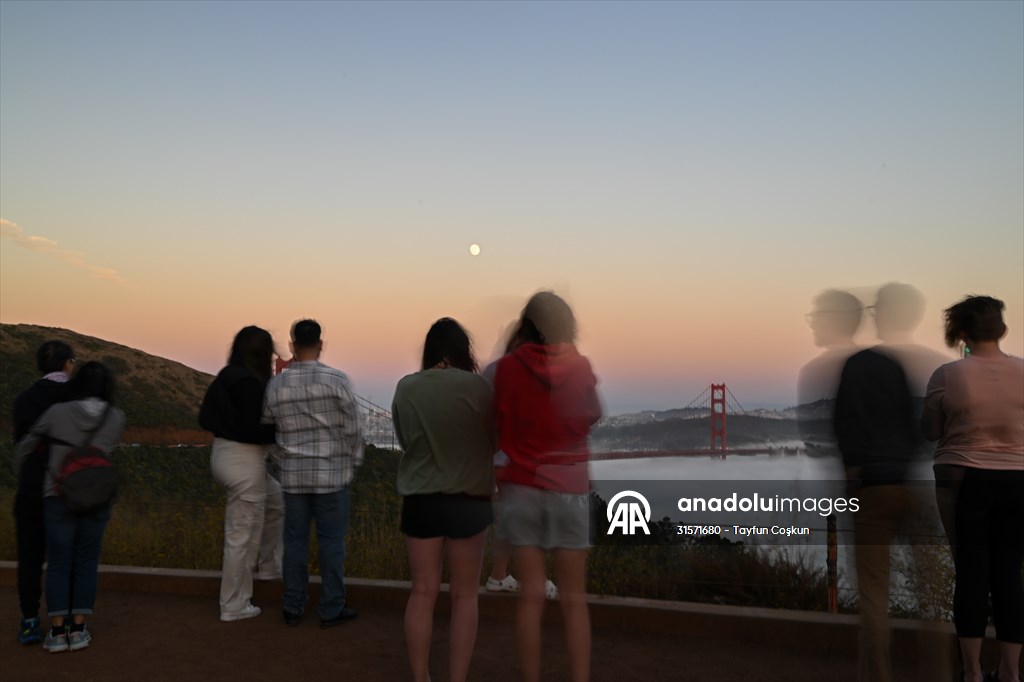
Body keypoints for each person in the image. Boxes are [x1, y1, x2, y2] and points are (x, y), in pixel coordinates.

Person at [493, 292, 601, 682]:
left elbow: (499, 421)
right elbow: (591, 415)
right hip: (570, 490)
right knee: (574, 600)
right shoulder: (580, 367)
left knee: (531, 595)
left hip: (521, 488)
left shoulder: (507, 369)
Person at [922, 295, 1023, 682]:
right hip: (1018, 479)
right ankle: (1012, 673)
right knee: (1009, 574)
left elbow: (931, 432)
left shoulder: (947, 374)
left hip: (961, 478)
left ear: (961, 333)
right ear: (1003, 330)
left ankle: (973, 672)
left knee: (971, 574)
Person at [392, 318, 496, 682]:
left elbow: (406, 441)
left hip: (421, 498)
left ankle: (421, 678)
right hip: (469, 498)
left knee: (422, 592)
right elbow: (491, 441)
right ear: (461, 351)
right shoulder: (479, 388)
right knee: (465, 596)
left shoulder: (406, 388)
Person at [15, 361, 126, 653]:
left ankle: (56, 633)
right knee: (87, 562)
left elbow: (27, 444)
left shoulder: (56, 412)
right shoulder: (116, 417)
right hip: (98, 496)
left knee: (59, 563)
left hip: (58, 494)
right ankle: (78, 631)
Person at [262, 319, 363, 628]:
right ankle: (332, 607)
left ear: (293, 346)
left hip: (293, 479)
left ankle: (292, 606)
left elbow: (269, 428)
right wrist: (351, 464)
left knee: (294, 543)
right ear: (321, 344)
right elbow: (354, 431)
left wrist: (283, 460)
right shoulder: (338, 381)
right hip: (332, 478)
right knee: (331, 543)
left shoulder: (276, 385)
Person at [199, 326, 284, 622]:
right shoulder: (250, 383)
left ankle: (271, 565)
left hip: (222, 455)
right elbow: (252, 430)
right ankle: (234, 604)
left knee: (276, 502)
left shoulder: (227, 375)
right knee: (242, 537)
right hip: (244, 462)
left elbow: (204, 417)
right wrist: (280, 428)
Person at [11, 340, 75, 645]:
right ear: (67, 364)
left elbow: (20, 444)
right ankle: (66, 623)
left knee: (29, 557)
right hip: (68, 485)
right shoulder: (77, 398)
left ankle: (29, 620)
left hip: (31, 484)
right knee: (66, 557)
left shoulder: (24, 400)